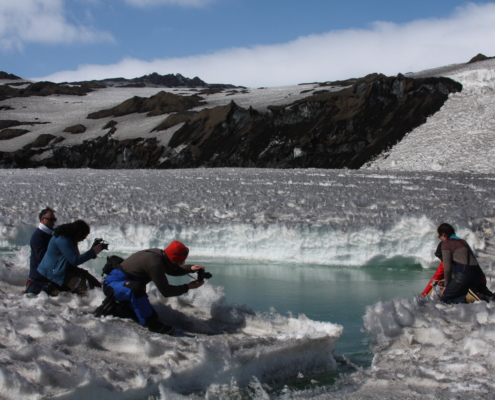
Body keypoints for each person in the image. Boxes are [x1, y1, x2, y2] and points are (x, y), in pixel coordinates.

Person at [94, 240, 204, 335]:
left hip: (124, 284)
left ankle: (114, 307)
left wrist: (190, 268)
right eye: (181, 262)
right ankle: (151, 324)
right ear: (174, 259)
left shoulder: (160, 255)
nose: (181, 264)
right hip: (113, 284)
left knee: (147, 312)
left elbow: (171, 269)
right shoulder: (155, 264)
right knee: (138, 295)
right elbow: (166, 291)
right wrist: (188, 286)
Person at [37, 219, 104, 296]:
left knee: (90, 279)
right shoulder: (63, 239)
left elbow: (76, 258)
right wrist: (92, 252)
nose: (82, 240)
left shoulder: (69, 239)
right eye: (82, 237)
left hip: (61, 269)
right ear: (78, 234)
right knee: (83, 287)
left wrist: (92, 251)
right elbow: (75, 260)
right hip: (52, 272)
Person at [437, 223, 490, 304]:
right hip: (478, 275)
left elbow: (447, 267)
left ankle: (471, 298)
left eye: (439, 235)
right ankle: (479, 293)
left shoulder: (446, 243)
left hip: (464, 274)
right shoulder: (463, 241)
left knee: (444, 299)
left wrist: (446, 286)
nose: (439, 238)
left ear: (444, 235)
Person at [25, 207, 57, 294]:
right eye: (51, 219)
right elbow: (42, 257)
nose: (53, 222)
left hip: (49, 276)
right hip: (40, 279)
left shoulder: (50, 234)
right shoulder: (38, 236)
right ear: (42, 220)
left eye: (54, 219)